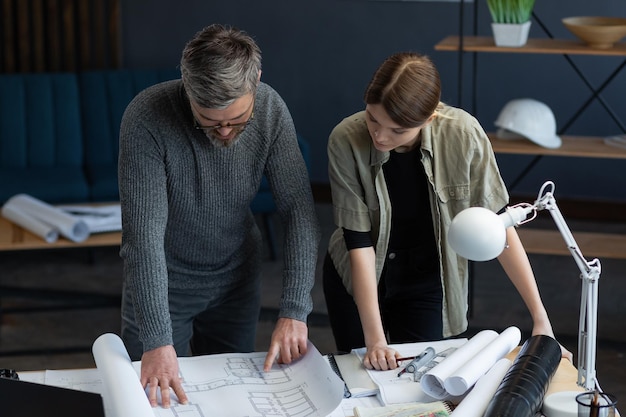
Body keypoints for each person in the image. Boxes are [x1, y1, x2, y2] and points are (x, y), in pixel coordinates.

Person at [322, 52, 572, 371]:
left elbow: (499, 227)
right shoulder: (345, 138)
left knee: (422, 378)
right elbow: (359, 243)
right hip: (357, 272)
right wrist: (374, 341)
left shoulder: (463, 134)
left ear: (430, 117)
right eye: (372, 119)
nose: (380, 136)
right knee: (360, 375)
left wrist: (541, 322)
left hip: (426, 275)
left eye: (397, 130)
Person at [118, 24, 320, 407]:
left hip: (235, 282)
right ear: (186, 88)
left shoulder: (272, 109)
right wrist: (158, 340)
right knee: (152, 402)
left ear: (256, 81)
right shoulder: (146, 117)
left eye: (237, 119)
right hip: (164, 285)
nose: (225, 131)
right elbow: (142, 237)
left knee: (229, 401)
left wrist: (295, 308)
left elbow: (298, 211)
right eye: (209, 121)